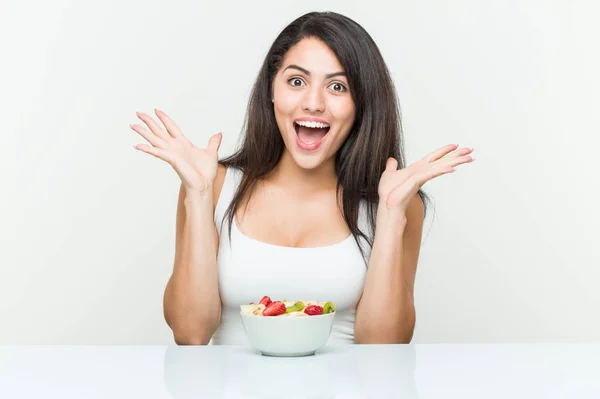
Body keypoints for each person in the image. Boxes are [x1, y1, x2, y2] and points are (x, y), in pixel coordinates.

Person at [130, 11, 474, 345]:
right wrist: (199, 197)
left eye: (337, 87)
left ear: (361, 103)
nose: (313, 103)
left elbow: (383, 347)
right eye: (296, 81)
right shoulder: (213, 185)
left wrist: (391, 214)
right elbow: (190, 334)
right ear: (272, 90)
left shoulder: (398, 203)